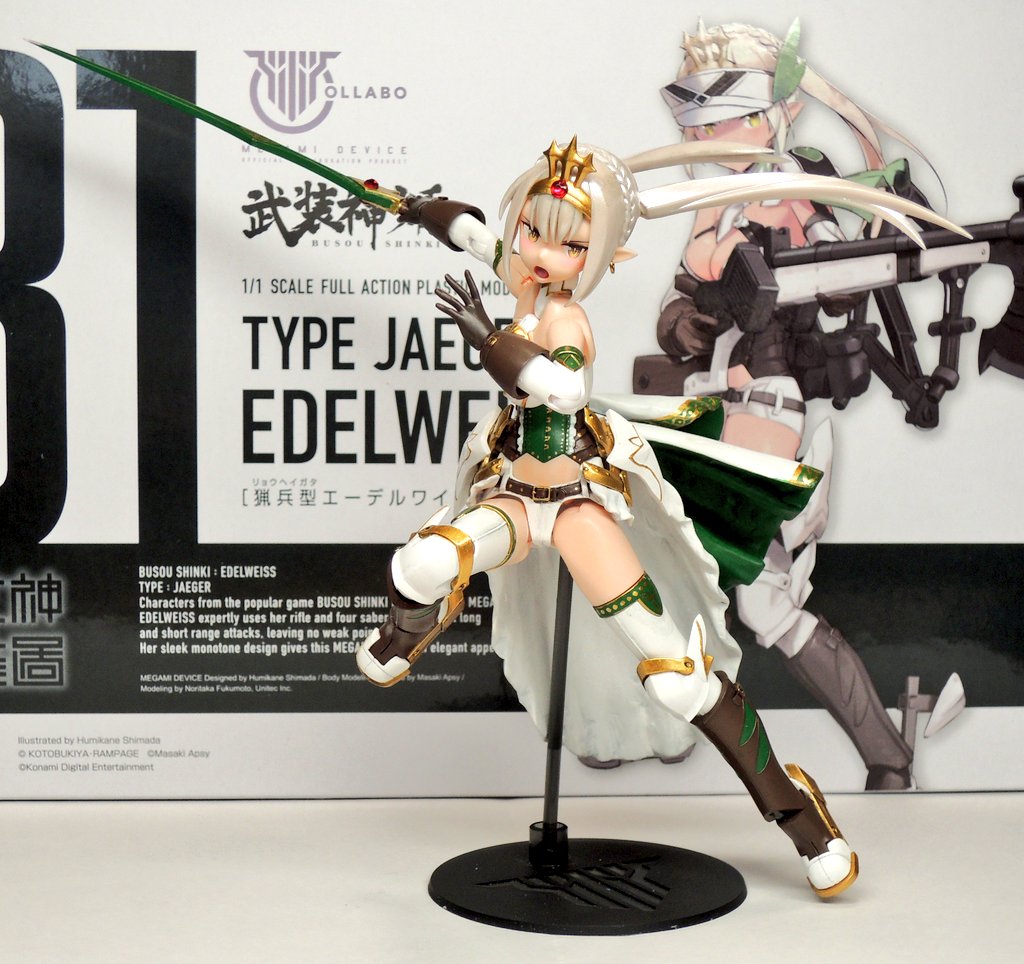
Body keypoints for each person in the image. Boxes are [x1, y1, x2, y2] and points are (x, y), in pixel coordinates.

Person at [354, 135, 962, 895]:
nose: (541, 253)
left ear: (599, 258)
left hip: (576, 507)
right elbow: (472, 230)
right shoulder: (520, 269)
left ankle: (798, 815)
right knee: (420, 562)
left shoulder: (566, 321)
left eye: (569, 245)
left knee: (678, 678)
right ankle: (412, 629)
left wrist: (489, 338)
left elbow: (560, 390)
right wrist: (411, 205)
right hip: (510, 496)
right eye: (532, 232)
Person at [643, 19, 944, 790]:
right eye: (699, 123)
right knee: (700, 575)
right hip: (712, 396)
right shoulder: (713, 198)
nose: (712, 136)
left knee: (759, 597)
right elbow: (679, 304)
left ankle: (884, 754)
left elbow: (847, 272)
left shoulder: (800, 190)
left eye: (733, 117)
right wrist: (688, 322)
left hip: (772, 400)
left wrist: (821, 265)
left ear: (779, 110)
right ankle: (882, 752)